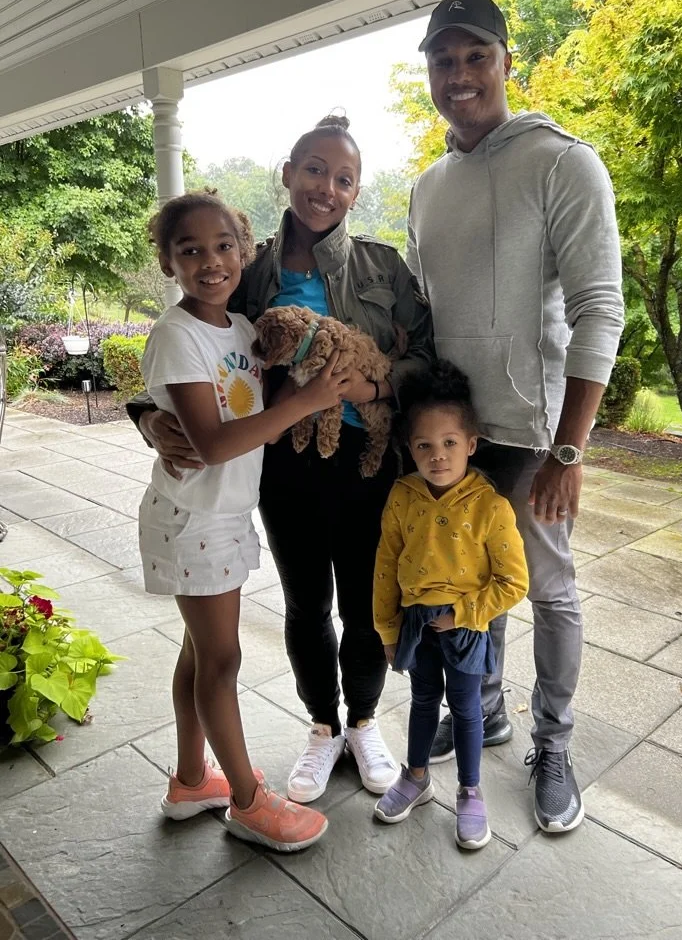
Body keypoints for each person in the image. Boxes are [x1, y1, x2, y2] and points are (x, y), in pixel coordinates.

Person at [130, 116, 434, 805]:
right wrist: (148, 417)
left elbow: (427, 358)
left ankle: (362, 722)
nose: (326, 186)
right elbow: (191, 346)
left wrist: (376, 384)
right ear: (289, 174)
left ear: (356, 192)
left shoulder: (385, 267)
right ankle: (322, 725)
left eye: (344, 177)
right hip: (284, 464)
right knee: (306, 606)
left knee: (365, 606)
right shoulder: (245, 266)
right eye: (314, 169)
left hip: (368, 463)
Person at [406, 0, 624, 832]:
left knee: (549, 590)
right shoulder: (429, 186)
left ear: (505, 61)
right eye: (442, 60)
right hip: (458, 436)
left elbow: (600, 309)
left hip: (533, 437)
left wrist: (570, 450)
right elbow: (426, 313)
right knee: (468, 582)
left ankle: (555, 745)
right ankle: (486, 708)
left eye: (474, 57)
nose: (458, 76)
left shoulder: (563, 161)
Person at [139, 189, 350, 851]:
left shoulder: (235, 329)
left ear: (245, 249)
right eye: (190, 250)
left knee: (199, 655)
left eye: (223, 245)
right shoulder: (177, 335)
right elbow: (214, 444)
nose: (210, 261)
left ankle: (191, 779)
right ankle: (251, 804)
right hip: (195, 517)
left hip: (222, 516)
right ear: (168, 262)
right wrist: (309, 400)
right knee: (223, 661)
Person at [372, 362, 528, 849]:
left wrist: (462, 615)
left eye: (449, 443)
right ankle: (415, 778)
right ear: (409, 448)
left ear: (471, 443)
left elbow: (514, 582)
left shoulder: (491, 507)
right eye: (424, 446)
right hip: (416, 627)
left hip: (466, 627)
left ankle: (469, 791)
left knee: (465, 710)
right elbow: (385, 564)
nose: (437, 456)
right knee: (421, 702)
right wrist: (388, 629)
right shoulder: (402, 496)